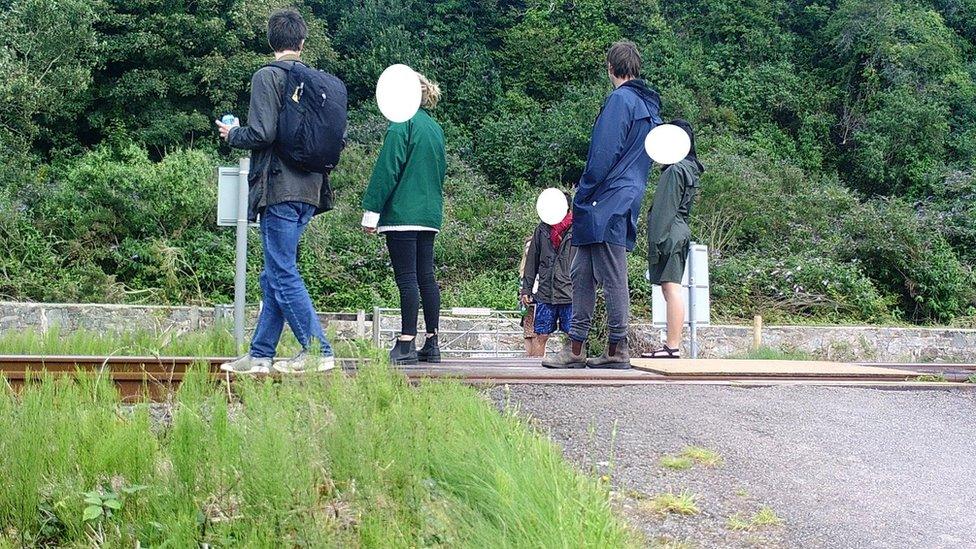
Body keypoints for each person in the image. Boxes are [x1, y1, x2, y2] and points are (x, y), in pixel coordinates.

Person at [216, 8, 343, 374]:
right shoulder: (317, 82)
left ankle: (318, 350)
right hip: (312, 191)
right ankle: (260, 354)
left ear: (271, 42)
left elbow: (261, 134)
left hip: (279, 190)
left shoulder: (267, 77)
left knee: (282, 272)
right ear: (302, 43)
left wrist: (232, 134)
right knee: (273, 274)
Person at [543, 40, 662, 370]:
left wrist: (583, 191)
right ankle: (579, 348)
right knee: (584, 272)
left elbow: (603, 155)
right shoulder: (650, 108)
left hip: (603, 201)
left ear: (610, 68)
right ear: (635, 68)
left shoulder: (620, 101)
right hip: (622, 199)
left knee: (608, 276)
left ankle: (614, 348)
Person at [361, 74, 446, 365]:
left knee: (407, 278)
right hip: (429, 213)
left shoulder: (401, 123)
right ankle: (432, 343)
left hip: (402, 213)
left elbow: (388, 169)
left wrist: (371, 211)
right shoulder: (435, 128)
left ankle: (406, 342)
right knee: (426, 276)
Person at [643, 120, 704, 358]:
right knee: (672, 288)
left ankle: (672, 346)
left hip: (670, 232)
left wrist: (654, 244)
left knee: (671, 288)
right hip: (680, 229)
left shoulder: (674, 170)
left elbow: (663, 211)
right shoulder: (689, 168)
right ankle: (672, 345)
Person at [521, 208, 575, 357]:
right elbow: (531, 261)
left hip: (570, 293)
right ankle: (536, 375)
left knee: (574, 336)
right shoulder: (542, 229)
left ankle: (574, 374)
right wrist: (526, 289)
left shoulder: (578, 228)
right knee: (540, 335)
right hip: (545, 292)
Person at [518, 237, 543, 356]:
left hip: (538, 302)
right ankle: (528, 359)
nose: (528, 250)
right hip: (526, 305)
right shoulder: (523, 269)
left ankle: (536, 360)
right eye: (527, 247)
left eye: (530, 247)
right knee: (528, 333)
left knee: (537, 333)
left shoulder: (541, 265)